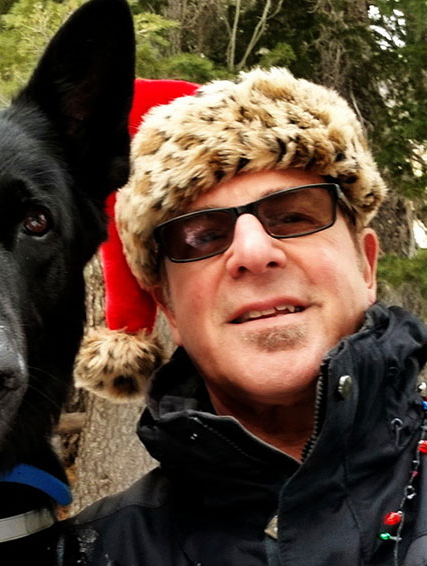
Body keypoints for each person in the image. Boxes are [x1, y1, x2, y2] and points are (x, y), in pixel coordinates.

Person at [61, 68, 427, 565]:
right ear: (167, 304)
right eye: (202, 236)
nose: (253, 252)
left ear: (366, 263)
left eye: (294, 215)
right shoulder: (92, 554)